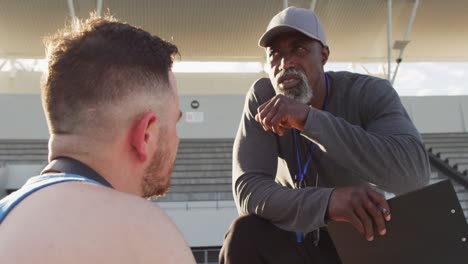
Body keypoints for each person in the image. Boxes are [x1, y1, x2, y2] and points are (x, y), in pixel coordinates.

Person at [220, 7, 430, 264]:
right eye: (275, 55)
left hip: (360, 236)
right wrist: (328, 202)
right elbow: (249, 191)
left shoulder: (368, 92)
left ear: (324, 55)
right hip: (298, 236)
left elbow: (414, 175)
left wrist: (309, 119)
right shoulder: (263, 96)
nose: (286, 63)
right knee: (245, 233)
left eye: (299, 49)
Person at [0, 15, 195, 264]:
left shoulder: (8, 217)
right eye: (174, 124)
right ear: (146, 134)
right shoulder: (138, 231)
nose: (177, 140)